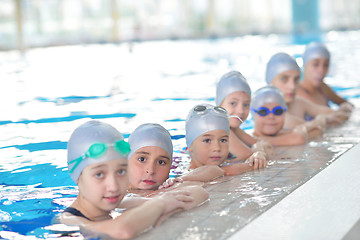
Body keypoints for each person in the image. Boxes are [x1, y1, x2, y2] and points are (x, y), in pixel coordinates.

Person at [59, 120, 208, 239]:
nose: (114, 186)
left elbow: (199, 194)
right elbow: (122, 231)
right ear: (77, 176)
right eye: (99, 174)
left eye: (121, 171)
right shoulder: (68, 221)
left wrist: (163, 204)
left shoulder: (120, 204)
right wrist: (161, 205)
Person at [127, 123, 224, 192]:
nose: (151, 170)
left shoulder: (170, 182)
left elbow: (214, 169)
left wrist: (182, 179)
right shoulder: (115, 189)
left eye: (161, 162)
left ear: (169, 167)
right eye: (142, 159)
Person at [265, 52, 350, 129]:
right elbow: (312, 129)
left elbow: (335, 114)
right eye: (284, 79)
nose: (292, 86)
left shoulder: (298, 103)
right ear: (270, 83)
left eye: (296, 79)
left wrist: (344, 109)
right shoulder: (268, 114)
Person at [185, 104, 266, 176]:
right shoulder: (184, 176)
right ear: (190, 145)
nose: (217, 148)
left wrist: (258, 155)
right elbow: (223, 171)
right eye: (207, 140)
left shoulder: (225, 163)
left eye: (223, 140)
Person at [216, 71, 274, 157]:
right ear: (219, 105)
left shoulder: (233, 128)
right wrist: (259, 151)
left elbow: (260, 143)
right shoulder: (220, 128)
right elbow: (248, 156)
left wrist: (259, 147)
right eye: (233, 103)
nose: (241, 111)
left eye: (246, 105)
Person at [251, 86, 322, 146]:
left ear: (285, 113)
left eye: (278, 111)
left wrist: (301, 131)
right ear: (253, 115)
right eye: (263, 111)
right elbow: (298, 138)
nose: (271, 116)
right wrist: (295, 137)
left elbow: (318, 130)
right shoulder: (249, 140)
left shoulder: (284, 133)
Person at [297, 42, 354, 111]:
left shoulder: (322, 87)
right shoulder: (297, 92)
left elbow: (348, 104)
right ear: (305, 65)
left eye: (326, 65)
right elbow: (326, 114)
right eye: (315, 64)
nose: (321, 70)